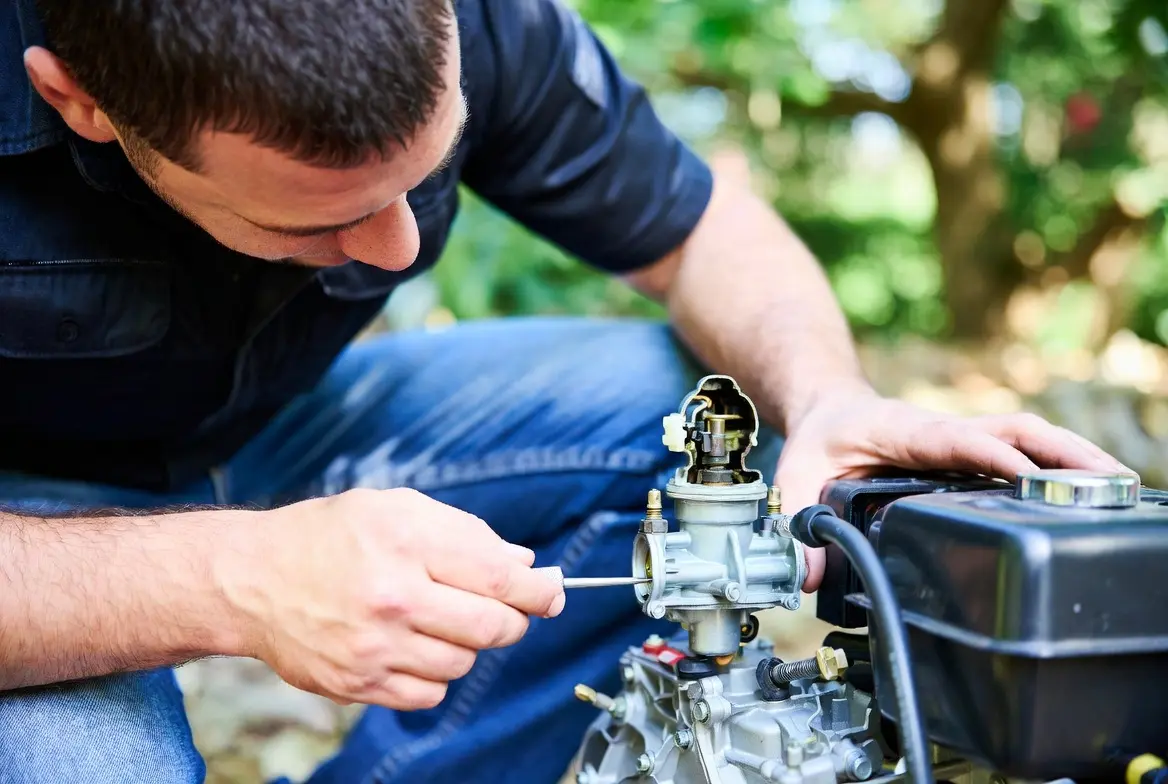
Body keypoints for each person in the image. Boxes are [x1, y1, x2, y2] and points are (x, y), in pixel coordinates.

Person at [0, 0, 1130, 782]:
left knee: (689, 413)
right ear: (83, 100)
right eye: (317, 220)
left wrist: (825, 398)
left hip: (275, 425)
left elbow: (699, 231)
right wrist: (232, 576)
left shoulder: (464, 22)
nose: (394, 251)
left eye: (425, 176)